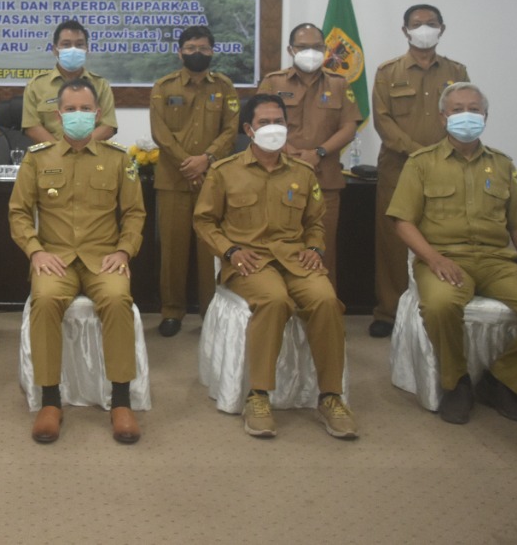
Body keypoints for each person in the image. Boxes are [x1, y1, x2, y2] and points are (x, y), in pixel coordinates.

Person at [387, 83, 517, 424]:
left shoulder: (502, 165)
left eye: (474, 109)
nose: (466, 116)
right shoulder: (421, 163)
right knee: (441, 304)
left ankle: (502, 381)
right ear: (443, 117)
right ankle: (456, 383)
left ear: (485, 117)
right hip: (443, 259)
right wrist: (433, 259)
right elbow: (403, 223)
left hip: (497, 262)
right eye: (457, 110)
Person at [193, 93, 357, 440]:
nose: (273, 129)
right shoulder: (224, 172)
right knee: (274, 301)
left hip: (297, 258)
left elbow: (315, 222)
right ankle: (259, 395)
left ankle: (330, 396)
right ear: (249, 130)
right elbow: (205, 222)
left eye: (279, 122)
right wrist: (231, 251)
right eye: (265, 123)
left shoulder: (302, 172)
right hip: (249, 260)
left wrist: (315, 247)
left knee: (326, 301)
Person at [8, 79, 146, 445]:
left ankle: (121, 401)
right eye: (71, 110)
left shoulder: (119, 159)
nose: (78, 116)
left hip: (104, 257)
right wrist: (36, 251)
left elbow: (134, 213)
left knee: (118, 300)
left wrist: (124, 251)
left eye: (86, 109)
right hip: (55, 257)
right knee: (46, 300)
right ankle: (50, 402)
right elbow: (19, 213)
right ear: (58, 115)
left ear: (98, 114)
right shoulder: (37, 158)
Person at [369, 4, 469, 338]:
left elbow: (464, 115)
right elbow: (383, 121)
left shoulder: (457, 71)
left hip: (446, 169)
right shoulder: (388, 72)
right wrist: (420, 154)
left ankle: (436, 304)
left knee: (441, 234)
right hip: (399, 168)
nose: (423, 29)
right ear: (404, 30)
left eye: (431, 24)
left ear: (442, 29)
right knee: (393, 239)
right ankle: (389, 311)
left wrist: (439, 156)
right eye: (417, 24)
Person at [149, 25, 240, 336]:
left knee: (209, 252)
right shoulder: (163, 86)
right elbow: (160, 133)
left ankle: (211, 313)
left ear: (212, 51)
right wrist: (188, 164)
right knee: (172, 252)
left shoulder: (225, 87)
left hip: (213, 180)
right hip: (173, 180)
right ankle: (171, 312)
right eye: (190, 48)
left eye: (203, 48)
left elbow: (231, 130)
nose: (196, 53)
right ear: (180, 52)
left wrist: (206, 160)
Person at [257, 23, 363, 285]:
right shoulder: (273, 82)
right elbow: (258, 122)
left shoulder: (339, 84)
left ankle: (322, 313)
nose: (310, 52)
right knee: (276, 246)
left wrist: (319, 152)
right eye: (303, 47)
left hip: (323, 178)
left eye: (317, 47)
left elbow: (349, 127)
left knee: (322, 250)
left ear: (326, 50)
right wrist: (288, 151)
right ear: (290, 49)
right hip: (278, 177)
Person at [21, 19, 117, 144]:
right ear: (55, 49)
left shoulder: (101, 85)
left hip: (91, 156)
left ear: (87, 49)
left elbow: (108, 126)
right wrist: (60, 150)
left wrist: (79, 147)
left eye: (79, 45)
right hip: (50, 157)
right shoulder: (36, 85)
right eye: (66, 44)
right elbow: (31, 127)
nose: (73, 49)